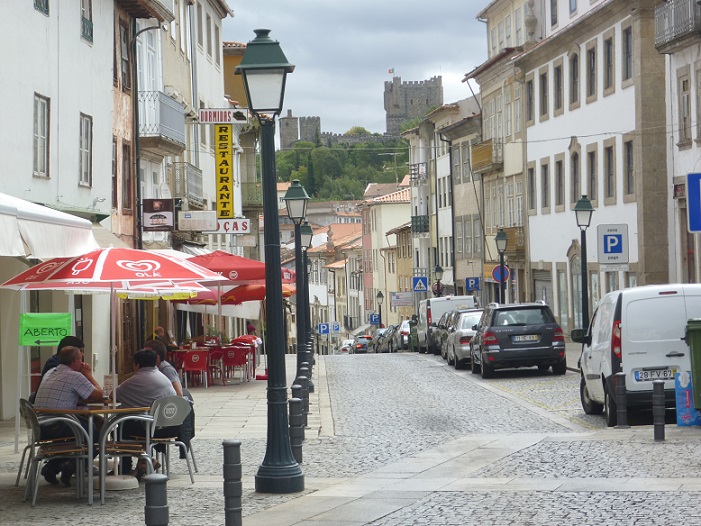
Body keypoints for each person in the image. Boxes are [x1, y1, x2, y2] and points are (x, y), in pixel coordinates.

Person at [33, 346, 105, 486]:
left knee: (95, 422)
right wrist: (87, 373)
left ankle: (52, 467)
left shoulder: (50, 372)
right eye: (81, 359)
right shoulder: (74, 376)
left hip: (41, 427)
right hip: (59, 425)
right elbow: (99, 394)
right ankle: (72, 466)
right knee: (97, 433)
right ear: (76, 360)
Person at [116, 349, 176, 479]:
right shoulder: (163, 377)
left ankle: (127, 466)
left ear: (136, 364)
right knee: (128, 424)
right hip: (170, 425)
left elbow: (114, 396)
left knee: (120, 426)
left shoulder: (135, 380)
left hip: (150, 428)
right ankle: (144, 461)